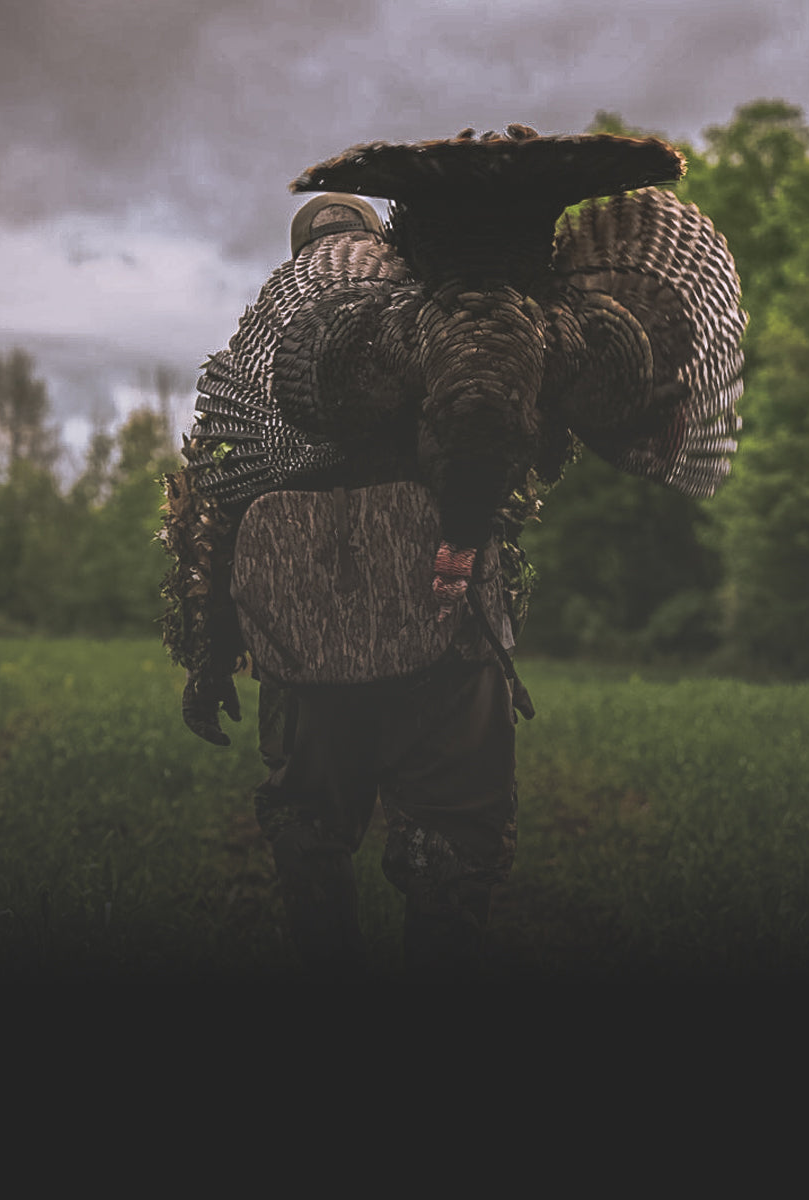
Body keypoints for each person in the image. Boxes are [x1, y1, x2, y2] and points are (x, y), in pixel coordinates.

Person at [165, 194, 526, 978]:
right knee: (450, 839)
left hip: (305, 639)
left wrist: (210, 657)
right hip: (443, 622)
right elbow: (499, 474)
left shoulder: (256, 362)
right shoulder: (441, 329)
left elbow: (213, 518)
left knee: (309, 829)